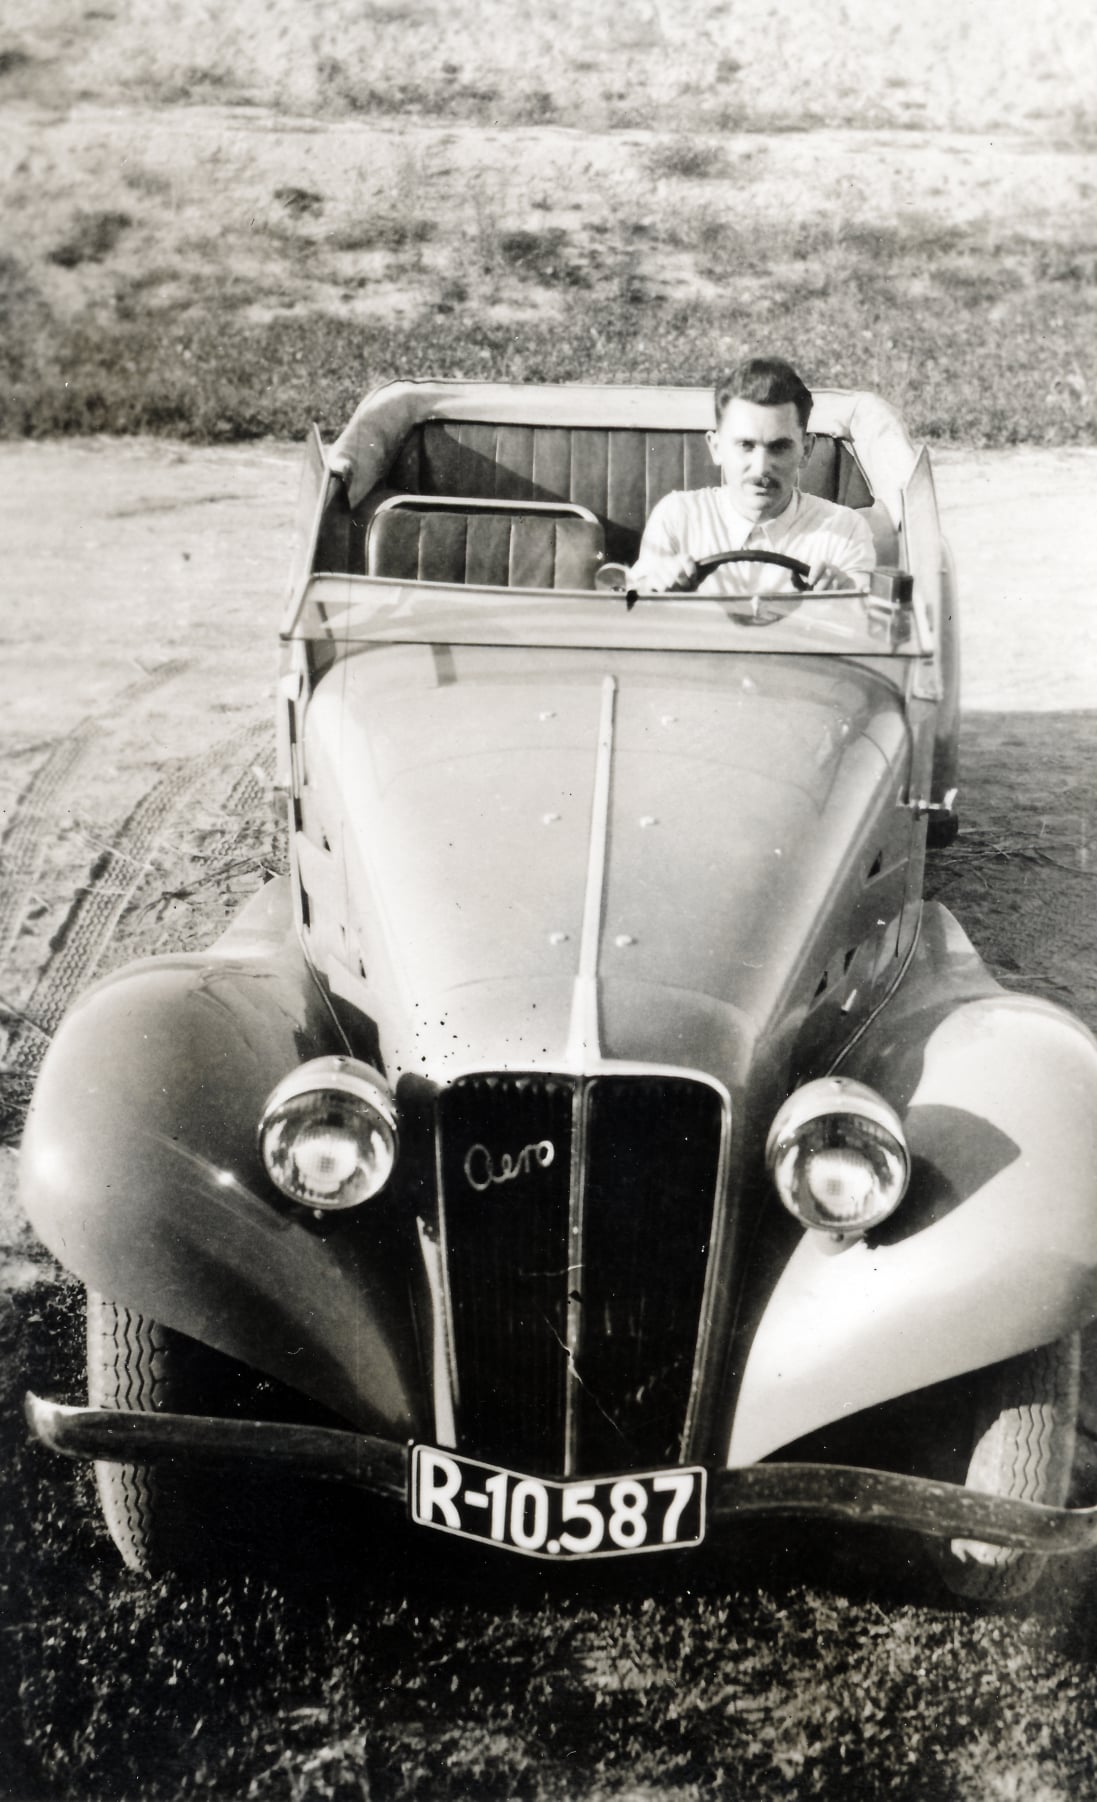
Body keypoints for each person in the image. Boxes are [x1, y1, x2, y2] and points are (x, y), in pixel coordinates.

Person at [628, 356, 876, 595]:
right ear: (716, 448)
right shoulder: (676, 518)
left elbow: (869, 617)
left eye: (779, 447)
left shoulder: (846, 529)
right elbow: (629, 607)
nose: (761, 468)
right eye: (745, 445)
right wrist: (653, 588)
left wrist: (846, 595)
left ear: (806, 450)